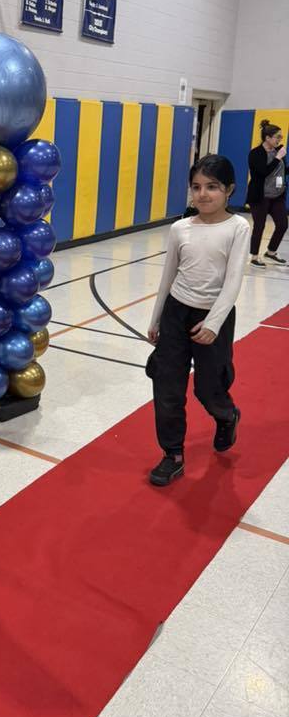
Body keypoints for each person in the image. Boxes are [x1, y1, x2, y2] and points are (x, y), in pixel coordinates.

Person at [145, 155, 250, 487]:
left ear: (229, 190)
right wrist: (157, 318)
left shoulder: (237, 228)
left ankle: (226, 415)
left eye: (212, 187)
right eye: (196, 187)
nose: (203, 194)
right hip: (176, 313)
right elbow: (168, 276)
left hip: (213, 316)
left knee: (208, 387)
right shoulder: (180, 228)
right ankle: (172, 454)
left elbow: (233, 280)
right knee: (167, 386)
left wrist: (213, 324)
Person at [246, 119, 287, 266]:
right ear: (268, 138)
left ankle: (271, 252)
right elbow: (263, 172)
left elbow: (281, 170)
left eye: (281, 137)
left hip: (277, 196)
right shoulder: (255, 154)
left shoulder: (278, 151)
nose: (280, 140)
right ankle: (254, 257)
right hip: (260, 196)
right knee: (259, 226)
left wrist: (281, 160)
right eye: (277, 137)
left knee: (282, 225)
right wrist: (278, 158)